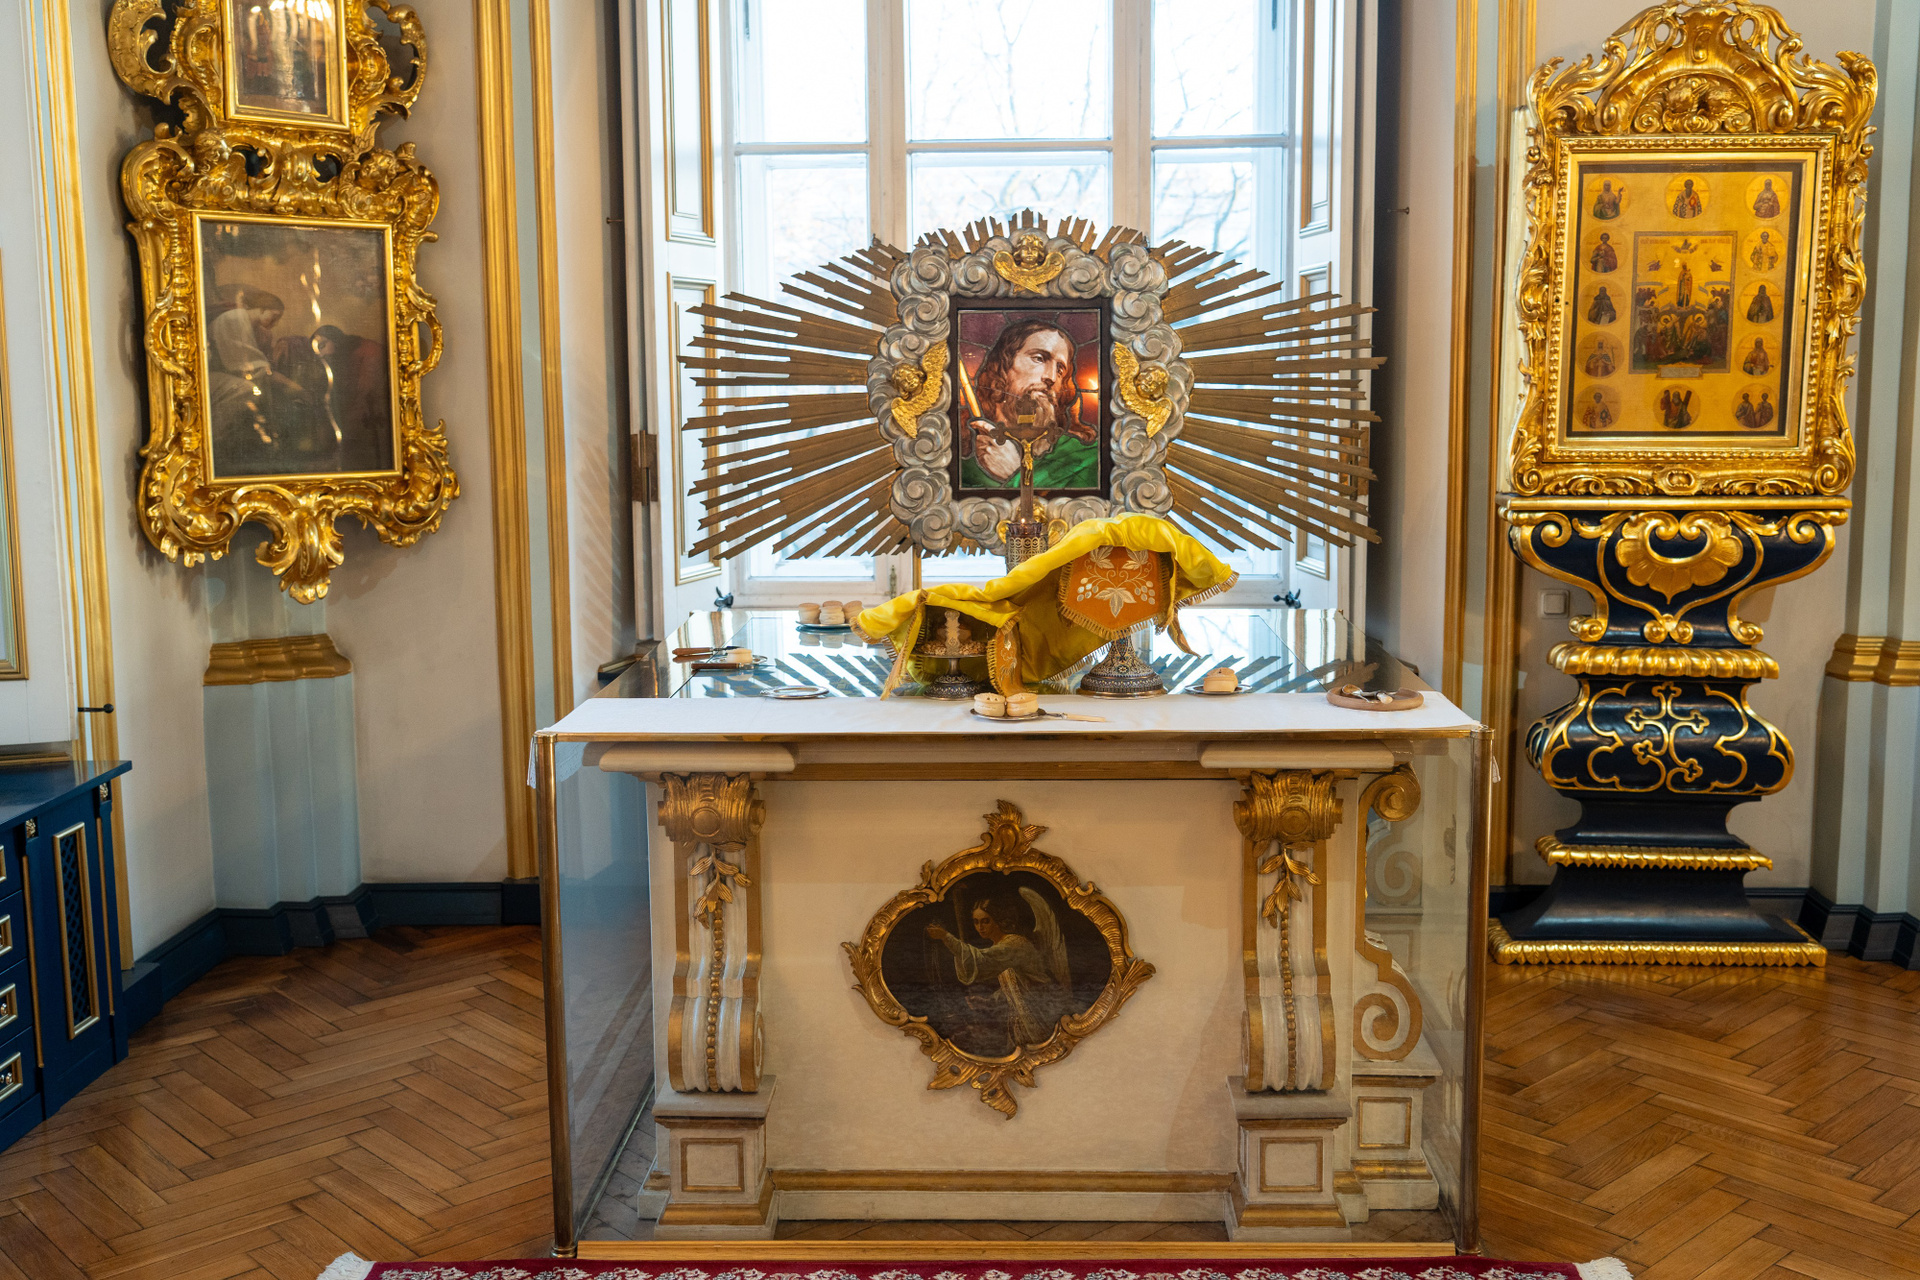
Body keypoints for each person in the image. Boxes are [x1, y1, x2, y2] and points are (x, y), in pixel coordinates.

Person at [925, 890, 1071, 1056]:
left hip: (1039, 1013)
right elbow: (1014, 984)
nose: (980, 927)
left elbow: (980, 960)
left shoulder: (1015, 944)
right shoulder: (1002, 946)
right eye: (976, 922)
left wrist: (946, 937)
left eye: (986, 921)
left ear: (998, 920)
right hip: (1022, 1018)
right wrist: (990, 1001)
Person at [961, 319, 1098, 491]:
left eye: (1060, 369)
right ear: (1002, 366)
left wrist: (1015, 473)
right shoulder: (962, 469)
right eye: (1039, 358)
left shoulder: (1086, 459)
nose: (1051, 377)